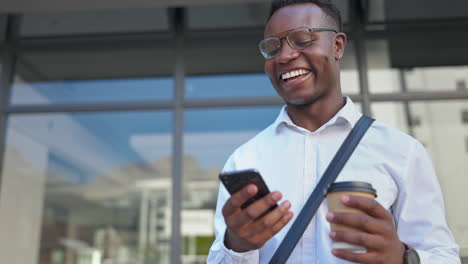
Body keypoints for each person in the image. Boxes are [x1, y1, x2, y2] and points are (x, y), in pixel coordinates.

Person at [207, 0, 461, 263]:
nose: (284, 56)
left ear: (338, 46)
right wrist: (237, 245)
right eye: (273, 46)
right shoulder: (245, 160)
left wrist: (402, 258)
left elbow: (442, 255)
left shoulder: (402, 152)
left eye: (302, 39)